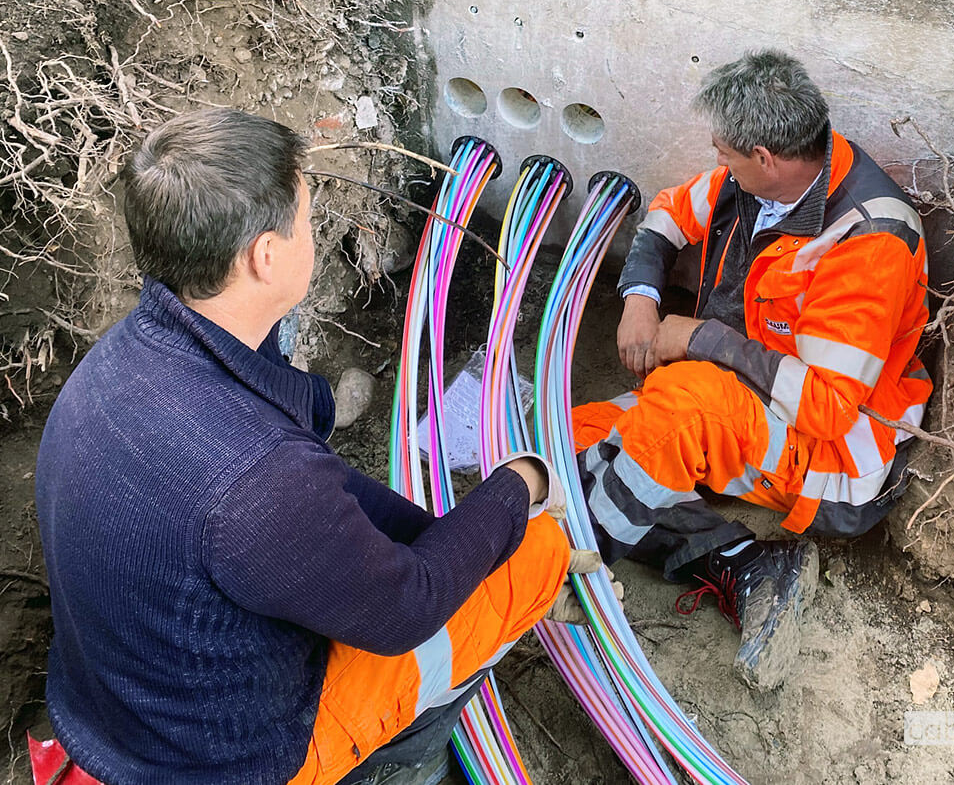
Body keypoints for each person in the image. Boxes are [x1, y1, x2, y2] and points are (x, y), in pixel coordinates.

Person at [35, 109, 584, 785]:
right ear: (264, 255)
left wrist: (425, 532)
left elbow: (309, 494)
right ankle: (403, 763)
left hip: (113, 711)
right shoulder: (256, 483)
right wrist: (518, 485)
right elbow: (405, 609)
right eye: (306, 217)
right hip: (229, 758)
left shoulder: (116, 362)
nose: (314, 233)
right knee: (534, 556)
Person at [574, 51, 932, 690]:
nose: (716, 163)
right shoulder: (758, 185)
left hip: (831, 460)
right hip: (739, 399)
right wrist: (640, 301)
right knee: (574, 438)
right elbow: (666, 214)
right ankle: (743, 560)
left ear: (766, 156)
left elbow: (826, 408)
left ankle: (563, 563)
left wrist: (700, 337)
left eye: (725, 153)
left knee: (675, 414)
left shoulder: (869, 241)